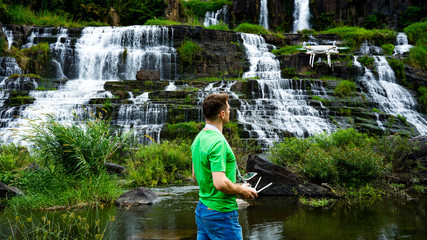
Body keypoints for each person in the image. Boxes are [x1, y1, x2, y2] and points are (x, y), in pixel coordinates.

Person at [191, 93, 258, 240]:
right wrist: (240, 190)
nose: (229, 112)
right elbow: (220, 183)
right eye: (228, 110)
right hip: (221, 214)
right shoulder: (218, 142)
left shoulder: (199, 138)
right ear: (222, 114)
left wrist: (235, 186)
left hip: (203, 211)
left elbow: (196, 176)